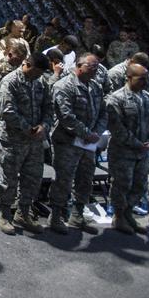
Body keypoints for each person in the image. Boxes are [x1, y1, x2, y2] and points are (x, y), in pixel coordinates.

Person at [48, 53, 107, 235]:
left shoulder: (95, 86)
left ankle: (78, 215)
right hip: (67, 141)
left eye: (97, 67)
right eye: (92, 67)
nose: (96, 71)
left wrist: (96, 132)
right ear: (79, 66)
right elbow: (66, 116)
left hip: (88, 144)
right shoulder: (64, 86)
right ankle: (56, 216)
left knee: (85, 179)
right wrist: (87, 134)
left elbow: (103, 112)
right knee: (63, 180)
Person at [0, 52, 53, 235]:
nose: (39, 76)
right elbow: (7, 110)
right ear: (28, 65)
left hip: (35, 140)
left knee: (33, 177)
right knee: (9, 178)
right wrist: (28, 128)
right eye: (37, 72)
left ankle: (23, 212)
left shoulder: (41, 82)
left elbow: (49, 106)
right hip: (14, 139)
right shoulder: (10, 81)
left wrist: (44, 126)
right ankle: (5, 214)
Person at [106, 63, 149, 234]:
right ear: (128, 78)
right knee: (122, 185)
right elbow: (117, 128)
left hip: (142, 152)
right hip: (123, 151)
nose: (145, 82)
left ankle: (129, 214)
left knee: (139, 185)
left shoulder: (147, 98)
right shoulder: (117, 99)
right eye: (141, 79)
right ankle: (119, 217)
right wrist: (137, 143)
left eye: (146, 78)